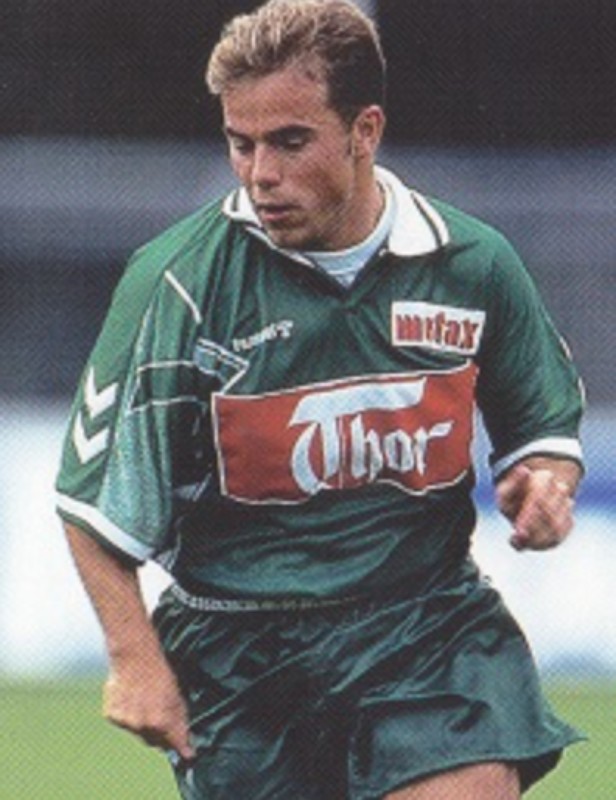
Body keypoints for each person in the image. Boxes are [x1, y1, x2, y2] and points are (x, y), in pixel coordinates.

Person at [55, 1, 585, 798]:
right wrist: (135, 660)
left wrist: (545, 482)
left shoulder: (472, 265)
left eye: (290, 141)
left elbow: (543, 428)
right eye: (241, 143)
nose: (260, 174)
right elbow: (93, 503)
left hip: (425, 629)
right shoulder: (178, 285)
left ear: (364, 131)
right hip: (239, 653)